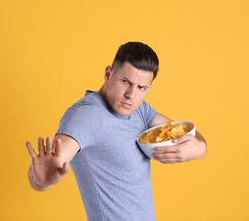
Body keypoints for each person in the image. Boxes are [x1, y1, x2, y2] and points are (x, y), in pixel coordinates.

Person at [25, 42, 207, 221]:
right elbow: (52, 164)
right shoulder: (87, 116)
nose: (131, 95)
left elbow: (186, 131)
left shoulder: (141, 110)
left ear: (149, 88)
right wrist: (41, 182)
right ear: (108, 74)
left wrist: (200, 147)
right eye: (125, 82)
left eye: (141, 88)